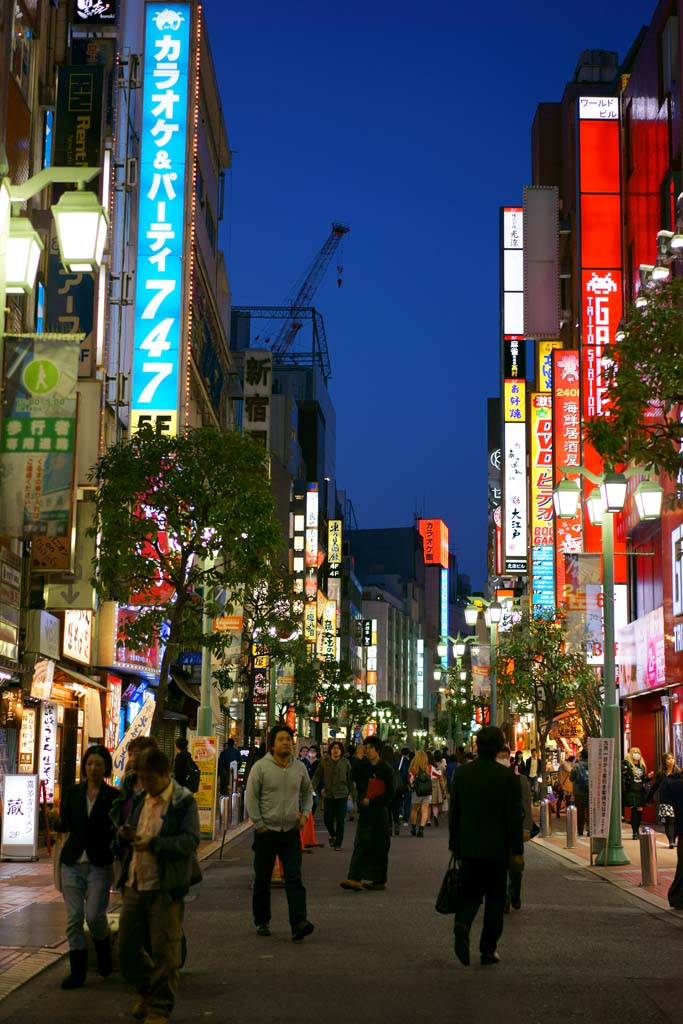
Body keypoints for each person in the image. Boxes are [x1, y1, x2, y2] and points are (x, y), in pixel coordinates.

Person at [117, 746, 201, 1024]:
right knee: (126, 948)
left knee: (165, 949)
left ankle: (160, 1008)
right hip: (135, 880)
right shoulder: (142, 798)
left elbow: (190, 841)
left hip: (165, 885)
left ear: (164, 774)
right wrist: (126, 835)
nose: (145, 784)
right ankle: (147, 991)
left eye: (149, 779)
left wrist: (154, 844)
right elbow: (133, 826)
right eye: (141, 778)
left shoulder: (182, 801)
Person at [449, 725, 524, 967]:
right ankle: (487, 949)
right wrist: (517, 851)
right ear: (499, 748)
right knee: (495, 898)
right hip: (497, 849)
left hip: (468, 845)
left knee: (470, 893)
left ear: (477, 747)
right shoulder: (507, 778)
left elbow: (455, 814)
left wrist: (455, 844)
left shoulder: (462, 774)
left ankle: (462, 923)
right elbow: (514, 817)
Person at [57, 744, 118, 990]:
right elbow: (65, 824)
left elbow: (116, 828)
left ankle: (104, 951)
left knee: (94, 916)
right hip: (71, 862)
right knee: (73, 918)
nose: (93, 768)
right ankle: (77, 972)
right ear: (84, 766)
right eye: (89, 764)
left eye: (98, 764)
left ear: (106, 769)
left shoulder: (113, 796)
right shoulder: (72, 792)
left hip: (100, 864)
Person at [245, 724, 314, 939]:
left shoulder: (299, 768)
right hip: (267, 832)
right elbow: (251, 797)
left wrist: (304, 815)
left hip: (291, 831)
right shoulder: (261, 767)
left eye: (288, 739)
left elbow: (307, 793)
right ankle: (262, 921)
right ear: (272, 744)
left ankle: (299, 923)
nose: (285, 742)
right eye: (281, 739)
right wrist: (259, 824)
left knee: (294, 877)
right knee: (263, 878)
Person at [340, 734, 394, 891]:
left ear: (377, 750)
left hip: (380, 813)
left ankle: (379, 880)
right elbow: (354, 776)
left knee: (380, 846)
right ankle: (354, 877)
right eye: (365, 748)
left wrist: (373, 801)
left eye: (369, 748)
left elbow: (391, 793)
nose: (367, 751)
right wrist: (358, 759)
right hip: (365, 812)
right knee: (361, 843)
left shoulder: (386, 769)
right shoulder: (364, 766)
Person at [498, 744, 531, 913]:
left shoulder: (521, 779)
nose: (502, 759)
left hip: (515, 830)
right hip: (495, 831)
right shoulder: (491, 778)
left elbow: (526, 805)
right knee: (499, 867)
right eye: (499, 756)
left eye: (505, 756)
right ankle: (503, 897)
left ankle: (515, 892)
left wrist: (526, 828)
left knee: (516, 866)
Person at [311, 740, 353, 850]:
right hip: (329, 795)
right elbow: (317, 776)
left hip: (342, 794)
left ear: (341, 751)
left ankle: (338, 844)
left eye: (338, 748)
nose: (335, 750)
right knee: (327, 819)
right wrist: (311, 787)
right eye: (333, 748)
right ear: (330, 750)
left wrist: (351, 793)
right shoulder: (325, 762)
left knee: (340, 820)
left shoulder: (345, 763)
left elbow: (350, 779)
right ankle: (332, 834)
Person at [658, 771, 683, 908]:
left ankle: (676, 896)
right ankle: (677, 896)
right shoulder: (677, 785)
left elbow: (665, 791)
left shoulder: (673, 784)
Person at [647, 751, 681, 849]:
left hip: (677, 801)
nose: (671, 761)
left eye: (672, 758)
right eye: (668, 759)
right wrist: (648, 799)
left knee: (675, 821)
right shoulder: (661, 774)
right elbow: (654, 787)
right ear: (664, 761)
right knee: (669, 821)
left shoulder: (678, 772)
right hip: (665, 801)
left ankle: (673, 839)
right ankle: (671, 841)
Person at [622, 747, 648, 839]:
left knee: (640, 811)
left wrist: (649, 777)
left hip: (640, 790)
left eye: (638, 752)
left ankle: (638, 829)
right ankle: (635, 832)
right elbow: (624, 774)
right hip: (632, 790)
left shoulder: (642, 765)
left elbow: (644, 779)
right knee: (634, 810)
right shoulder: (627, 764)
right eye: (634, 752)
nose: (636, 754)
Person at [407, 749, 432, 836]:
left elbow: (410, 780)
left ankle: (413, 828)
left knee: (414, 810)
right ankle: (421, 829)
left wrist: (411, 787)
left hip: (416, 792)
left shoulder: (413, 769)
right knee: (424, 810)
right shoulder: (429, 768)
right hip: (427, 792)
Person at [381, 744, 403, 837]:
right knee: (396, 808)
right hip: (396, 788)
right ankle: (397, 824)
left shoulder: (382, 763)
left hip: (385, 788)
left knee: (387, 809)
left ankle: (389, 827)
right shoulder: (397, 762)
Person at [569, 748, 590, 836]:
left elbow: (571, 778)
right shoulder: (593, 764)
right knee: (590, 811)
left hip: (579, 792)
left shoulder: (577, 766)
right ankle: (590, 830)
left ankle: (580, 831)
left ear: (581, 756)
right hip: (590, 792)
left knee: (580, 812)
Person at [429, 751, 447, 827]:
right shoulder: (440, 768)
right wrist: (444, 790)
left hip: (428, 787)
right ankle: (435, 816)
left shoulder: (429, 768)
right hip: (437, 788)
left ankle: (428, 820)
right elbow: (442, 780)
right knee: (435, 805)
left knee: (428, 805)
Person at [396, 747, 412, 824]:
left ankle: (399, 813)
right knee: (407, 802)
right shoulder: (408, 762)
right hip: (406, 784)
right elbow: (406, 774)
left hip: (398, 784)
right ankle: (405, 819)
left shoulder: (398, 761)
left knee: (399, 800)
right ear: (408, 754)